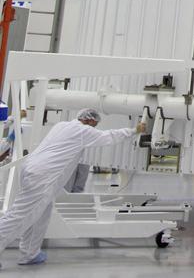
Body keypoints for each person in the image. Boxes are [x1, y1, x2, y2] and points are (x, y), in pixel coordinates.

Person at [0, 108, 144, 267]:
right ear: (90, 121)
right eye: (94, 125)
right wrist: (133, 130)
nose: (93, 128)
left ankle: (29, 253)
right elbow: (108, 137)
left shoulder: (61, 125)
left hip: (32, 169)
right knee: (20, 215)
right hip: (43, 176)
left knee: (41, 215)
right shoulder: (82, 131)